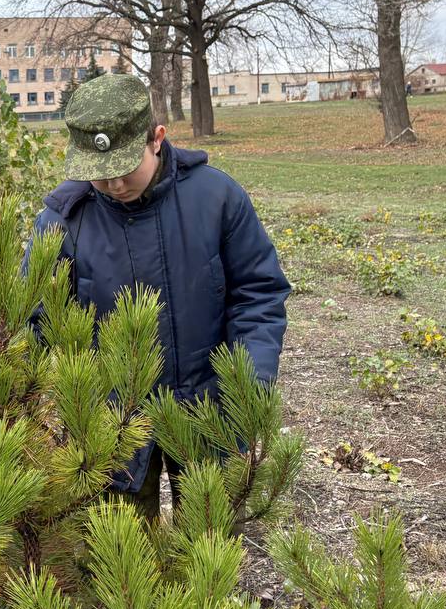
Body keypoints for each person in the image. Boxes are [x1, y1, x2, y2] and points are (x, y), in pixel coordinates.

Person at [29, 74, 289, 519]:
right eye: (99, 173)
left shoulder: (216, 197)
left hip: (211, 412)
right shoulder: (62, 223)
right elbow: (36, 321)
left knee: (208, 550)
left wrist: (248, 386)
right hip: (114, 424)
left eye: (123, 168)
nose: (112, 184)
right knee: (123, 567)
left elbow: (257, 294)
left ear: (156, 139)